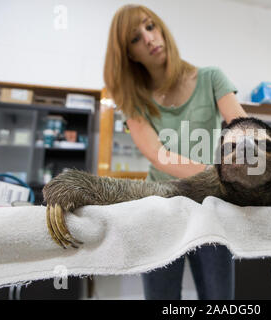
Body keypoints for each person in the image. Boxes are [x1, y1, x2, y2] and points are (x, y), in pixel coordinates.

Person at [103, 4, 248, 300]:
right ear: (130, 54)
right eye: (135, 38)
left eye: (150, 26)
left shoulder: (211, 78)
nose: (148, 38)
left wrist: (265, 164)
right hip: (160, 210)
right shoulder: (135, 99)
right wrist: (219, 175)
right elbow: (158, 155)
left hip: (209, 208)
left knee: (219, 299)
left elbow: (243, 129)